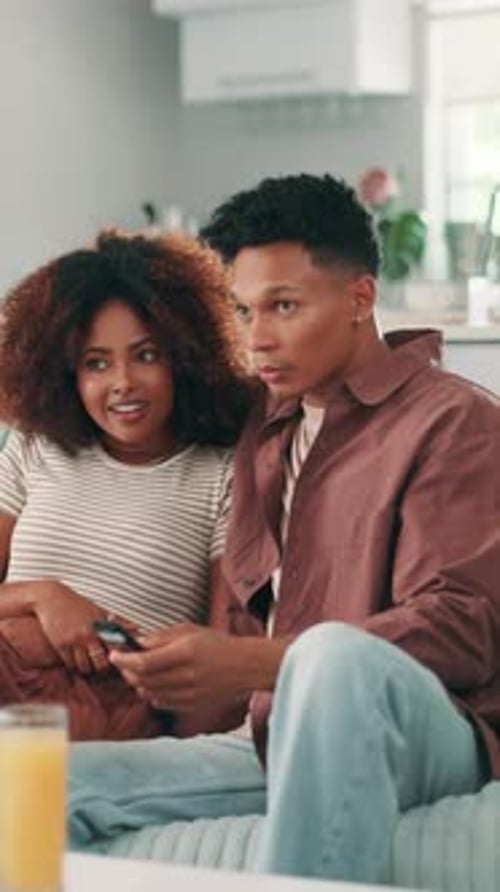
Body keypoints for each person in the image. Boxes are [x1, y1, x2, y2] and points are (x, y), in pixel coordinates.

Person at [68, 173, 500, 885]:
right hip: (273, 738)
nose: (257, 339)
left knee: (333, 660)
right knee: (30, 773)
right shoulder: (268, 430)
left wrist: (254, 663)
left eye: (284, 306)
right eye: (243, 312)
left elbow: (462, 628)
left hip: (429, 734)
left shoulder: (456, 422)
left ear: (360, 298)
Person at [0, 229, 252, 740]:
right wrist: (44, 598)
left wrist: (178, 764)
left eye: (146, 355)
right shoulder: (36, 447)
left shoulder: (222, 472)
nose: (123, 383)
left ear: (185, 357)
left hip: (112, 707)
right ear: (67, 373)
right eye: (97, 363)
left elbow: (221, 656)